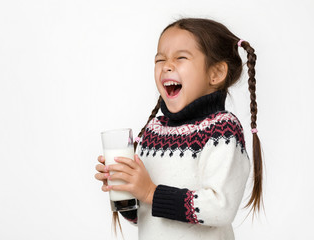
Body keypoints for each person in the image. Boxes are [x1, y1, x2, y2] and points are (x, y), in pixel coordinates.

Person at [94, 17, 263, 240]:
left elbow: (220, 207)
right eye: (160, 59)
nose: (167, 66)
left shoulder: (222, 130)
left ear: (216, 74)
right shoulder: (154, 131)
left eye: (181, 57)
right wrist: (127, 191)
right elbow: (149, 216)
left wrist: (150, 192)